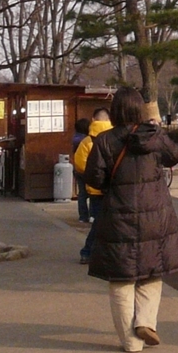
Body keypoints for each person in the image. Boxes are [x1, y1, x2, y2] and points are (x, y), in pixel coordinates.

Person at [84, 86, 178, 353]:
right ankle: (146, 321)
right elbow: (175, 156)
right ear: (140, 110)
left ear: (115, 111)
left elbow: (93, 178)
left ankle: (131, 342)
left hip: (119, 215)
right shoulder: (153, 136)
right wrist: (157, 129)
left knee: (122, 278)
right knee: (152, 271)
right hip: (156, 215)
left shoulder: (104, 140)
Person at [74, 110, 111, 263]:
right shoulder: (115, 139)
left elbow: (80, 165)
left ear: (93, 119)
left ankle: (88, 252)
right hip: (114, 189)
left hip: (96, 190)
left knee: (99, 222)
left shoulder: (87, 142)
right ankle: (95, 252)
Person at [72, 116, 92, 223]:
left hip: (77, 169)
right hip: (86, 168)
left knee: (82, 194)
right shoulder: (86, 140)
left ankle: (83, 216)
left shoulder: (75, 138)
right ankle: (91, 215)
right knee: (92, 193)